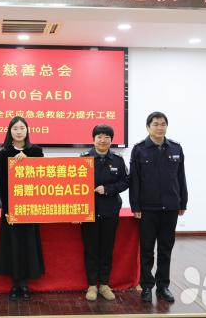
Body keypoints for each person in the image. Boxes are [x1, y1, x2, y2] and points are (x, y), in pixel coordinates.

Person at [129, 111, 188, 303]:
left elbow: (181, 177)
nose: (159, 127)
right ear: (148, 127)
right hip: (147, 209)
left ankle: (163, 286)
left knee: (165, 248)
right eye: (155, 124)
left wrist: (183, 202)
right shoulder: (139, 150)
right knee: (147, 250)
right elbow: (135, 180)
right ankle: (146, 286)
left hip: (170, 207)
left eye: (163, 124)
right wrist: (135, 206)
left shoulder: (176, 148)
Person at [0, 116, 45, 300]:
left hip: (30, 207)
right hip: (11, 208)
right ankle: (15, 285)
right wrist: (7, 210)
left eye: (22, 128)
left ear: (27, 130)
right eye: (15, 128)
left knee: (28, 245)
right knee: (13, 245)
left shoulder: (36, 151)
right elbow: (2, 184)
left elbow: (42, 178)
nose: (18, 131)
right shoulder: (3, 154)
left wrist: (28, 160)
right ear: (10, 131)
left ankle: (25, 285)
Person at [79, 124, 129, 301]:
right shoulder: (83, 158)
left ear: (111, 140)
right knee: (91, 249)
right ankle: (92, 285)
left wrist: (108, 189)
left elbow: (125, 182)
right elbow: (74, 184)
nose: (103, 140)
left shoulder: (118, 160)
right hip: (88, 211)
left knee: (107, 249)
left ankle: (105, 285)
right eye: (99, 136)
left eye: (107, 137)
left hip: (110, 210)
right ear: (93, 139)